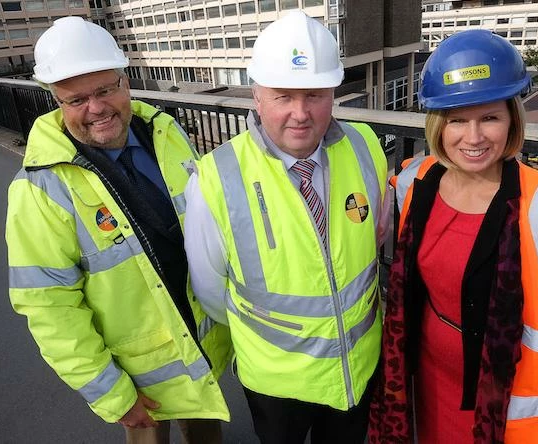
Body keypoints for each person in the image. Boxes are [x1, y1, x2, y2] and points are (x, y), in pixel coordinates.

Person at [368, 29, 538, 443]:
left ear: (512, 118)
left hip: (502, 403)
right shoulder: (415, 182)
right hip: (421, 381)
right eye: (457, 120)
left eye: (490, 118)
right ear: (437, 126)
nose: (474, 137)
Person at [5, 17, 231, 444]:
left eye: (106, 90)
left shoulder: (164, 131)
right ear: (56, 101)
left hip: (201, 345)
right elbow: (49, 307)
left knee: (206, 432)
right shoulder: (40, 189)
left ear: (125, 82)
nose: (96, 108)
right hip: (138, 375)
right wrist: (110, 393)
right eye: (77, 100)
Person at [183, 10, 389, 444]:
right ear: (256, 96)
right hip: (277, 383)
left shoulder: (366, 146)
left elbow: (374, 240)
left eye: (314, 94)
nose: (300, 113)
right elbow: (211, 291)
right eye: (283, 96)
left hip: (358, 365)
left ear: (333, 92)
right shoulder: (215, 177)